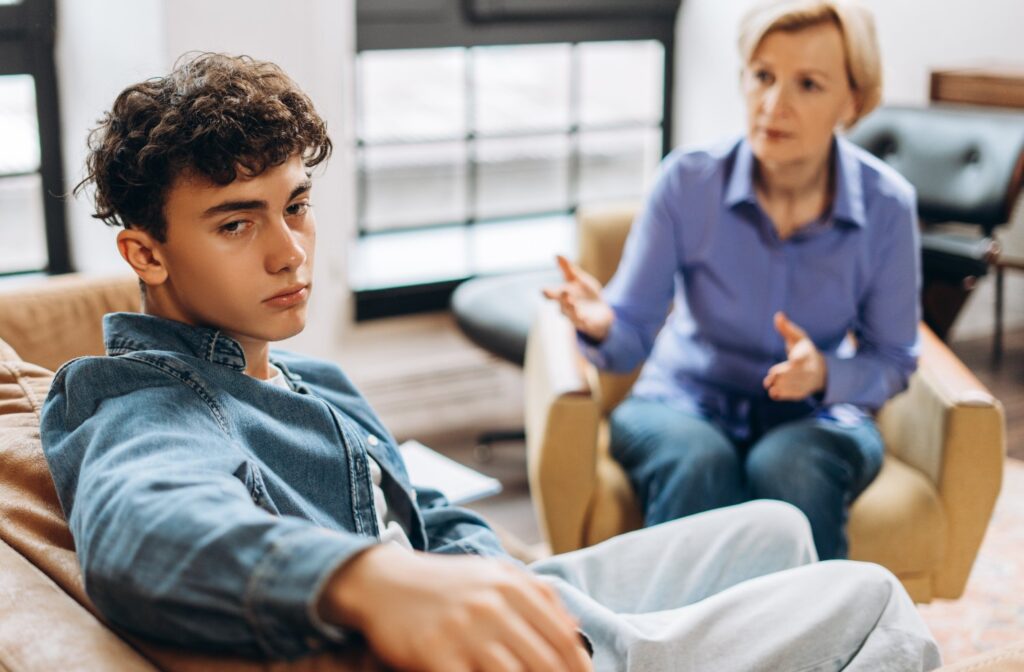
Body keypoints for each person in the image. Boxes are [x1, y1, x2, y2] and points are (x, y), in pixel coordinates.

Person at [40, 52, 940, 671]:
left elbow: (423, 511)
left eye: (297, 204)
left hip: (513, 607)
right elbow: (140, 528)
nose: (291, 252)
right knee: (865, 597)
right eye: (237, 222)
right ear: (147, 254)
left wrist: (494, 580)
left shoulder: (311, 379)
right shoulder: (143, 401)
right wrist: (370, 580)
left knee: (777, 530)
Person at [545, 0, 918, 561]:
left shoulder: (888, 206)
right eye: (762, 76)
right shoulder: (688, 182)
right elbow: (627, 344)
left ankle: (809, 642)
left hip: (814, 417)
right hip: (681, 401)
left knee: (789, 465)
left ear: (854, 100)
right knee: (699, 463)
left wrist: (825, 374)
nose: (773, 105)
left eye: (808, 85)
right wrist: (603, 324)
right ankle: (671, 644)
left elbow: (893, 360)